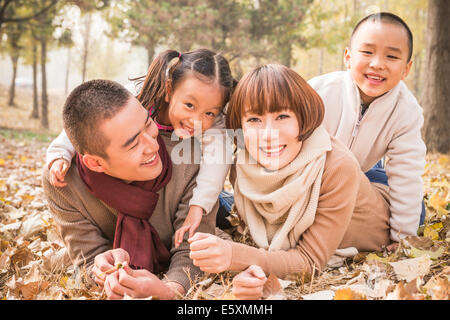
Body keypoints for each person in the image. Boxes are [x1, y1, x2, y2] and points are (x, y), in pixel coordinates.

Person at [188, 64, 392, 300]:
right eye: (254, 119)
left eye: (282, 116)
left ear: (302, 117)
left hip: (384, 202)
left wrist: (236, 256)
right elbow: (247, 241)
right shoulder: (242, 165)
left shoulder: (338, 168)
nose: (268, 134)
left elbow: (309, 261)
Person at [42, 79, 218, 299]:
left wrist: (171, 290)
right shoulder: (64, 183)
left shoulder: (190, 158)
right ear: (95, 163)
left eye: (147, 124)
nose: (153, 146)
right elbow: (87, 260)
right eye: (134, 144)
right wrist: (101, 272)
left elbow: (192, 251)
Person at [45, 49, 236, 248]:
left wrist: (199, 206)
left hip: (201, 188)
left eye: (209, 113)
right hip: (160, 186)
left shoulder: (215, 126)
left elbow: (217, 164)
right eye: (189, 105)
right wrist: (60, 153)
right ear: (169, 90)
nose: (196, 120)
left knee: (225, 209)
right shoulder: (141, 92)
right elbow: (89, 121)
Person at [308, 12, 427, 244]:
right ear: (348, 57)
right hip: (309, 175)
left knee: (416, 211)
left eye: (392, 56)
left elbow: (406, 173)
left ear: (406, 69)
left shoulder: (407, 111)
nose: (377, 64)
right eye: (367, 52)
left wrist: (401, 238)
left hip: (363, 174)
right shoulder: (318, 92)